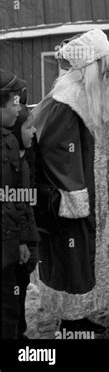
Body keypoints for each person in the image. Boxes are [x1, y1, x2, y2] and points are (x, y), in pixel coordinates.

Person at [33, 29, 109, 333]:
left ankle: (78, 315)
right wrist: (74, 192)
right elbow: (55, 149)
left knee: (82, 257)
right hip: (71, 202)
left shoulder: (85, 96)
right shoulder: (66, 101)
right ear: (90, 68)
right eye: (105, 65)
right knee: (72, 258)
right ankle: (71, 320)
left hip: (87, 197)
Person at [1, 70, 31, 339]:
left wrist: (21, 239)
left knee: (10, 312)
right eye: (14, 102)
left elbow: (17, 197)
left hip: (8, 247)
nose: (19, 106)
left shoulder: (10, 141)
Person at [10, 105, 40, 339]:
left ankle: (19, 330)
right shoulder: (11, 166)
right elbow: (14, 209)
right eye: (29, 127)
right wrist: (21, 241)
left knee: (19, 293)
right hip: (16, 242)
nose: (34, 131)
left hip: (27, 239)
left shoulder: (26, 160)